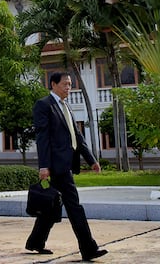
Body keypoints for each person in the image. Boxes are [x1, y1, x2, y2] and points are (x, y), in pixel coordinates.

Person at [25, 71, 108, 261]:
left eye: (70, 84)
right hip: (55, 167)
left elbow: (76, 137)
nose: (68, 88)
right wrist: (44, 166)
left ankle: (35, 242)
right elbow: (42, 138)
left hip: (66, 164)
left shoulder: (66, 106)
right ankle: (89, 249)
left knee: (51, 206)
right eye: (65, 84)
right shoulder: (44, 105)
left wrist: (92, 160)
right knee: (74, 207)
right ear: (53, 84)